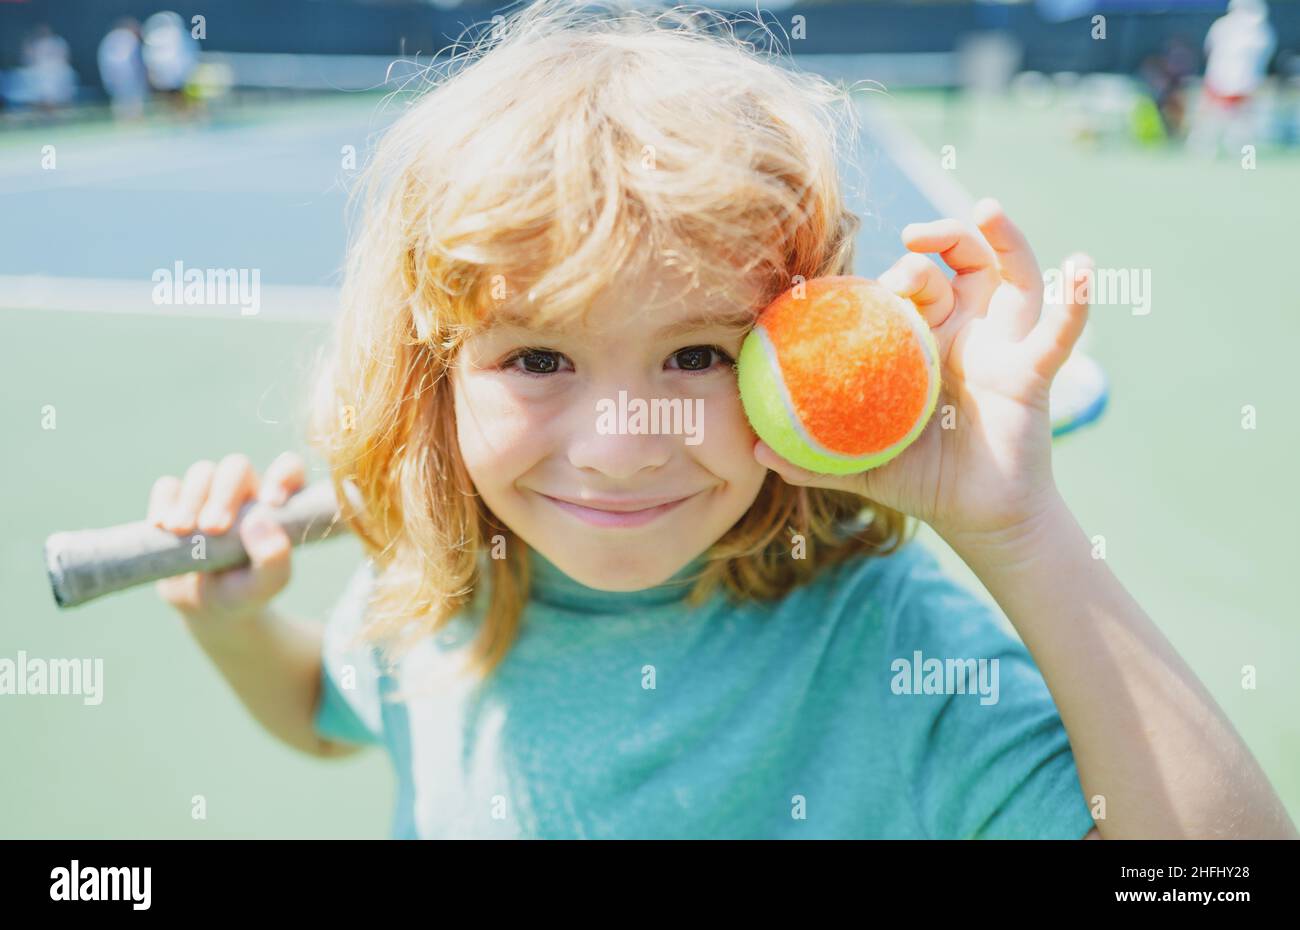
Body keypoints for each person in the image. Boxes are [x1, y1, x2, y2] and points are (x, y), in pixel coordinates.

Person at [145, 0, 1296, 840]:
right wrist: (234, 627)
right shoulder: (442, 586)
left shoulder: (886, 646)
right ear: (428, 382)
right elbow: (323, 710)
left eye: (697, 354)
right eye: (537, 356)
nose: (618, 441)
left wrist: (1019, 529)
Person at [1190, 0, 1278, 156]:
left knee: (1241, 122)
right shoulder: (1224, 27)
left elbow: (1261, 60)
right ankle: (1204, 150)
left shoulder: (1262, 32)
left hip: (1244, 84)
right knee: (1214, 118)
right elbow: (1210, 50)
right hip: (1220, 80)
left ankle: (1240, 154)